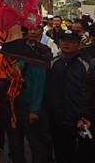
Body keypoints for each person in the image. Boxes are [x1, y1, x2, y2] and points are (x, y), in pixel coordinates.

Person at [45, 29, 93, 163]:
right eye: (63, 40)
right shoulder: (52, 63)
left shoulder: (87, 65)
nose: (66, 44)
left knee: (82, 155)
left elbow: (88, 93)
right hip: (57, 120)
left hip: (80, 120)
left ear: (79, 44)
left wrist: (86, 115)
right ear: (59, 43)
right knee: (61, 154)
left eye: (71, 41)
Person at [8, 27, 50, 163]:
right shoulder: (15, 53)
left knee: (35, 142)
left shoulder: (38, 53)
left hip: (29, 106)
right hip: (16, 104)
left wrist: (35, 110)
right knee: (15, 141)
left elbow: (39, 84)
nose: (32, 32)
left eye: (35, 29)